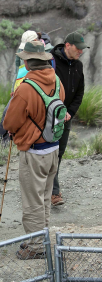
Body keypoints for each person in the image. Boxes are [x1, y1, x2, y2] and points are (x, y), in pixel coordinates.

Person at [3, 41, 65, 260]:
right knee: (45, 198)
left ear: (29, 62)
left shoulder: (26, 88)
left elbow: (10, 123)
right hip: (53, 149)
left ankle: (37, 246)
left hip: (34, 151)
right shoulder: (56, 81)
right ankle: (42, 237)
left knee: (32, 201)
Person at [51, 32, 88, 206]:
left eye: (82, 49)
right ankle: (54, 192)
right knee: (47, 153)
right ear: (67, 45)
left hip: (66, 117)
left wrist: (69, 113)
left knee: (59, 153)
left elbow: (79, 93)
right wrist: (57, 110)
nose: (80, 51)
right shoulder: (50, 61)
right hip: (49, 116)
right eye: (78, 48)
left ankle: (51, 189)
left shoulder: (79, 66)